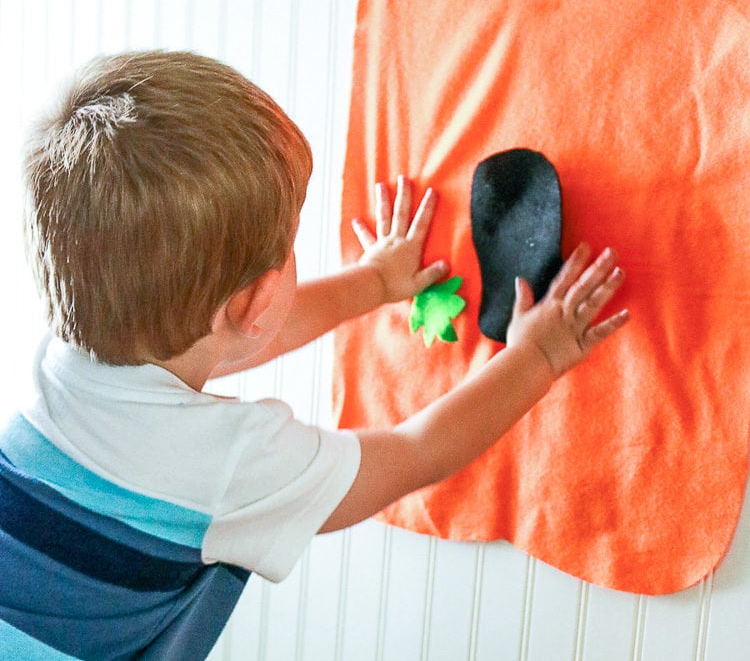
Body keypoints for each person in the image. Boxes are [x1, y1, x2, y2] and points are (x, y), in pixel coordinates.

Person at [0, 50, 629, 659]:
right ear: (261, 295)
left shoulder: (65, 358)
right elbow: (417, 453)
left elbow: (235, 338)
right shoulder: (228, 466)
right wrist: (537, 355)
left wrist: (376, 282)